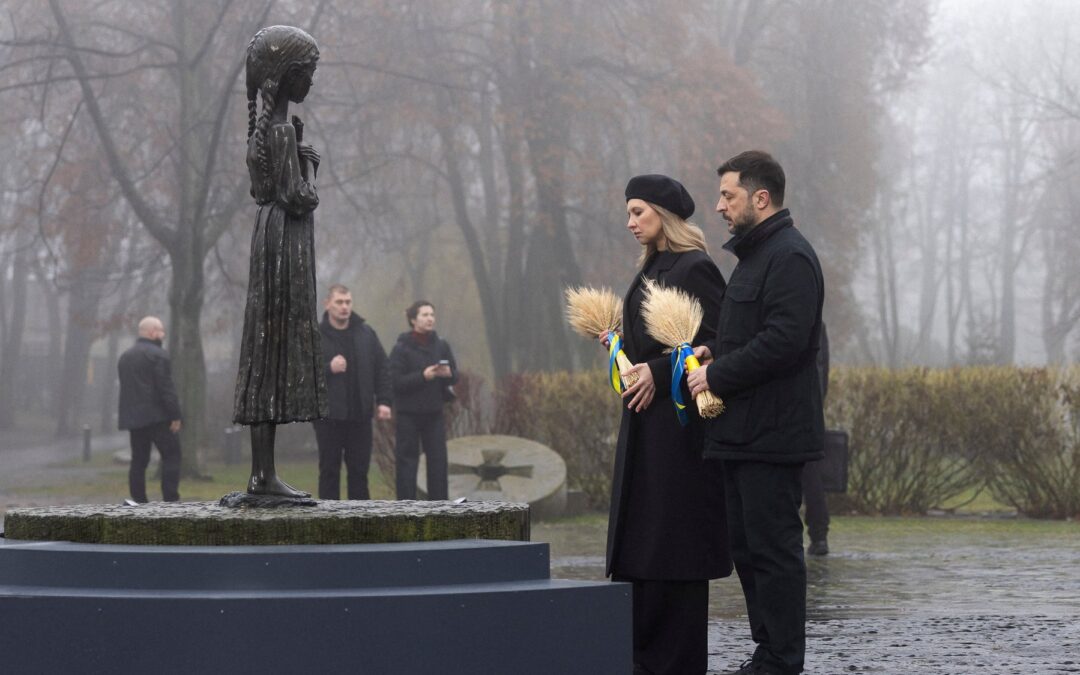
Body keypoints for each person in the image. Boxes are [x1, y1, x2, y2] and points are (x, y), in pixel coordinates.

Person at [687, 151, 824, 675]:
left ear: (760, 198)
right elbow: (750, 335)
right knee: (749, 552)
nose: (719, 206)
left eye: (728, 195)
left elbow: (786, 341)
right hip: (742, 434)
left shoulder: (789, 256)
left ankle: (783, 660)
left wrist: (717, 376)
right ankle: (767, 653)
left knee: (774, 553)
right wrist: (713, 352)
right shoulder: (754, 257)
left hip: (774, 435)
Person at [606, 174, 731, 675]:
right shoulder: (653, 266)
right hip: (645, 427)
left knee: (670, 548)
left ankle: (671, 660)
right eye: (629, 212)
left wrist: (658, 371)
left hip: (677, 437)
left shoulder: (694, 266)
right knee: (642, 545)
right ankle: (643, 655)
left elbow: (720, 339)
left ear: (665, 214)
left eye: (639, 211)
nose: (630, 221)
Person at [233, 25, 327, 498]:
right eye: (307, 72)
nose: (310, 81)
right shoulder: (282, 133)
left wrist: (298, 149)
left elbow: (263, 189)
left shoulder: (265, 133)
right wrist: (308, 164)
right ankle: (263, 478)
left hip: (266, 240)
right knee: (274, 350)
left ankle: (261, 473)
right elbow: (299, 197)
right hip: (285, 246)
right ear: (287, 75)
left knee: (263, 350)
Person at [313, 284, 392, 500]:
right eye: (339, 302)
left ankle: (361, 524)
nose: (344, 307)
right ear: (327, 304)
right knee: (329, 471)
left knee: (359, 473)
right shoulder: (315, 336)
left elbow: (382, 368)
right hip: (329, 417)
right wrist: (329, 367)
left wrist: (384, 401)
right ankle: (329, 523)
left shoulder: (366, 333)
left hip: (360, 417)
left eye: (348, 302)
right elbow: (301, 372)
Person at [388, 301, 457, 500]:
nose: (430, 319)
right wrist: (422, 376)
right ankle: (406, 509)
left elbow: (455, 377)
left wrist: (447, 373)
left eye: (432, 314)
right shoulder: (401, 348)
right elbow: (395, 381)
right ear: (413, 320)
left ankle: (439, 510)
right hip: (408, 414)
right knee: (407, 463)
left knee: (438, 462)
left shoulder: (442, 345)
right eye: (425, 314)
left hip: (434, 412)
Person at [117, 316, 182, 503]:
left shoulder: (125, 357)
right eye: (161, 331)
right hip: (158, 417)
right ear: (153, 332)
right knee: (172, 455)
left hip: (134, 420)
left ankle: (138, 500)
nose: (163, 335)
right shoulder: (158, 355)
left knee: (138, 460)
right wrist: (175, 415)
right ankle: (170, 500)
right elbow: (166, 388)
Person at [802, 323, 830, 556]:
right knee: (812, 478)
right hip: (809, 412)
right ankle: (819, 534)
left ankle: (818, 534)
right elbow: (824, 372)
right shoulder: (817, 327)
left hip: (796, 413)